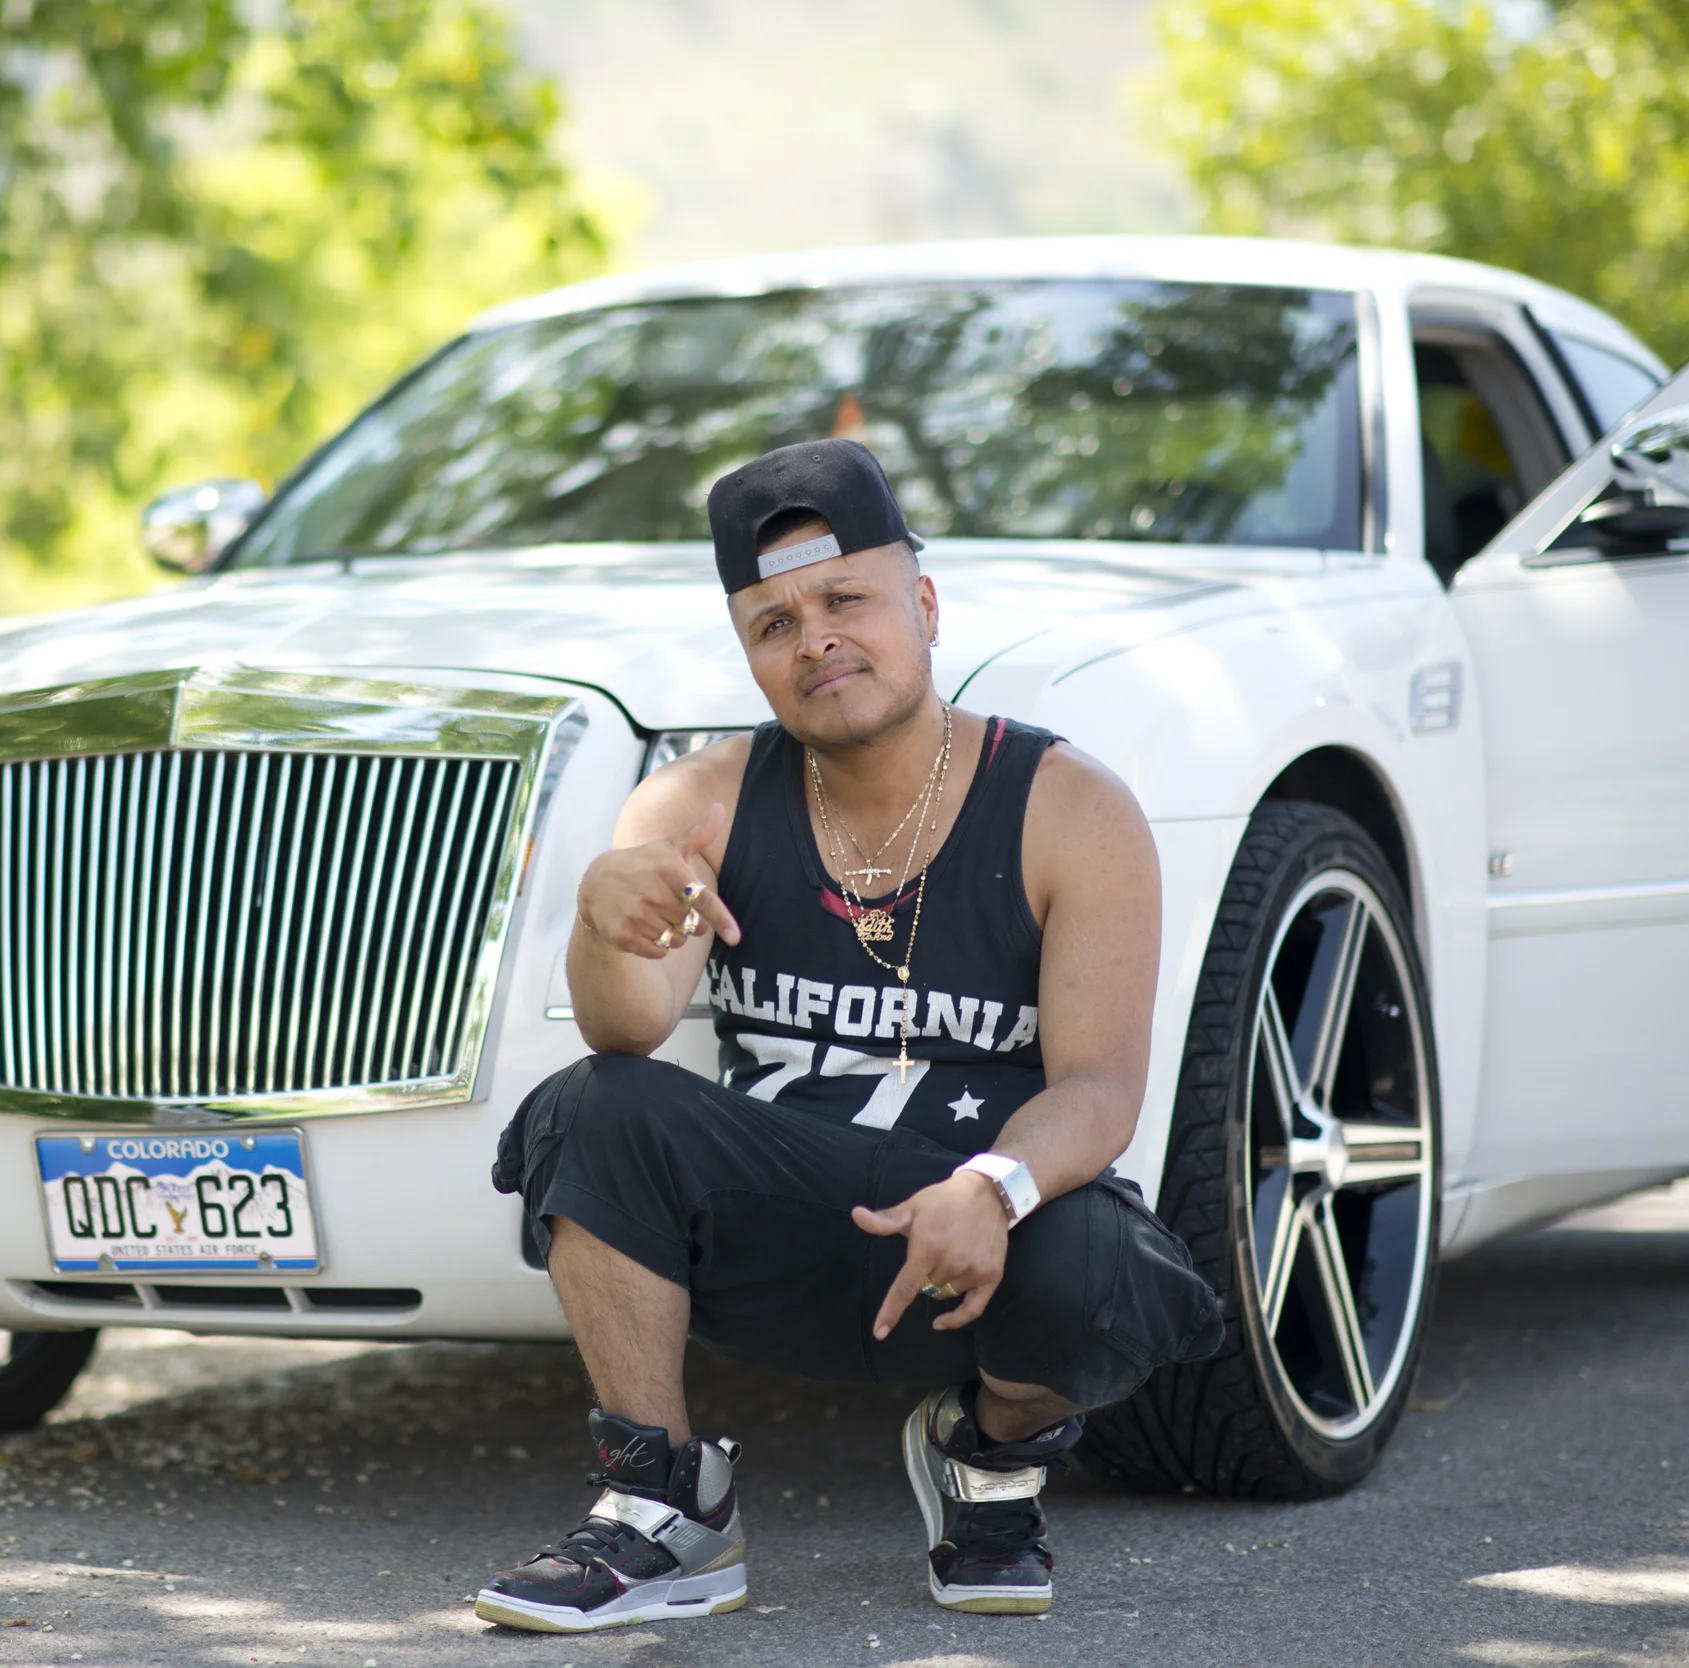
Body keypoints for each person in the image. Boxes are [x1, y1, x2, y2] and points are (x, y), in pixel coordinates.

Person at [477, 438, 1223, 1633]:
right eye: (772, 624)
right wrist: (599, 924)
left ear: (922, 607)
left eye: (844, 600)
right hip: (783, 1226)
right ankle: (662, 1509)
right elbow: (629, 1027)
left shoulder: (1069, 807)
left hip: (983, 1229)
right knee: (591, 1101)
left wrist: (992, 1184)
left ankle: (988, 1460)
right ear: (749, 655)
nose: (813, 638)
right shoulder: (696, 802)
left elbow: (1100, 1086)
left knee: (1107, 1272)